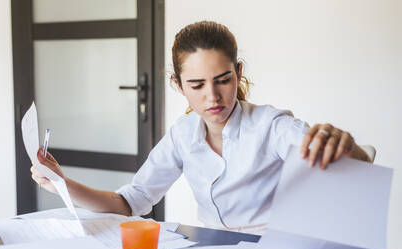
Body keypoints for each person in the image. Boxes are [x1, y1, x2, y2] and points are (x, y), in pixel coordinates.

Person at [31, 21, 371, 232]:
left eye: (223, 80)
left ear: (238, 72)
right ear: (178, 85)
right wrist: (63, 183)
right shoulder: (182, 134)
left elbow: (355, 167)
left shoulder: (271, 125)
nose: (213, 97)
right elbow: (130, 202)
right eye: (197, 85)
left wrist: (346, 145)